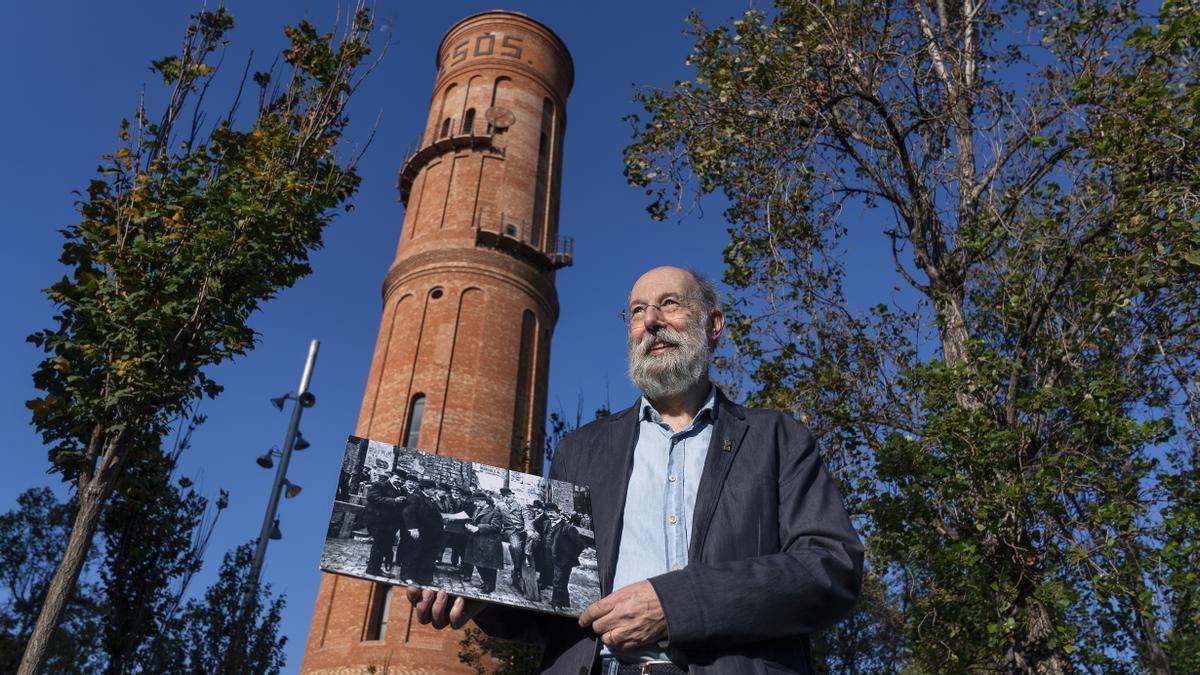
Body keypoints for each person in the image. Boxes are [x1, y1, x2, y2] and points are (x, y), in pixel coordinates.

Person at [408, 266, 863, 674]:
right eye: (637, 310)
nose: (651, 321)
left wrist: (676, 604)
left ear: (714, 324)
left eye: (669, 304)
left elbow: (830, 569)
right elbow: (551, 594)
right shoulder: (580, 450)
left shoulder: (776, 439)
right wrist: (481, 594)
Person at [543, 504, 592, 610]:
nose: (550, 514)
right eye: (548, 512)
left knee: (558, 580)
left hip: (563, 559)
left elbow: (580, 544)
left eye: (552, 512)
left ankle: (556, 604)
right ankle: (563, 602)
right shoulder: (546, 524)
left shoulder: (568, 528)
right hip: (550, 557)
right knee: (560, 581)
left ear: (558, 513)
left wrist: (570, 555)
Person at [400, 478, 446, 585]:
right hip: (417, 532)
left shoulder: (430, 498)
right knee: (412, 554)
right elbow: (408, 513)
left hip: (428, 534)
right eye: (433, 489)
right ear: (425, 488)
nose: (435, 491)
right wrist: (413, 529)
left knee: (424, 555)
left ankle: (423, 579)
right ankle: (406, 576)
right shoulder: (416, 497)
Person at [363, 470, 407, 577]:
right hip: (376, 520)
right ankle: (372, 570)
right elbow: (372, 497)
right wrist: (394, 500)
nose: (399, 482)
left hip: (390, 523)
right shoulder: (380, 485)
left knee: (384, 545)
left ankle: (377, 567)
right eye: (397, 479)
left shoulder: (402, 490)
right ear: (391, 477)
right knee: (378, 545)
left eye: (402, 481)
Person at [460, 490, 504, 593]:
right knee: (479, 564)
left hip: (490, 543)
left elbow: (496, 527)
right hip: (478, 541)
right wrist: (468, 524)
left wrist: (478, 528)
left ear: (484, 501)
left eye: (477, 501)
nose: (475, 503)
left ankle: (490, 586)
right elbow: (474, 520)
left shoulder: (495, 512)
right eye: (475, 501)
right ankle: (486, 582)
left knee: (489, 566)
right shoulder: (477, 510)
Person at [496, 487, 529, 589]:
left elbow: (527, 518)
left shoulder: (520, 505)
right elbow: (496, 518)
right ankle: (517, 569)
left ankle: (518, 570)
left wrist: (528, 529)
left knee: (526, 548)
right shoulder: (499, 505)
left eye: (508, 496)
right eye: (504, 497)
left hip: (521, 530)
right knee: (515, 546)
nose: (506, 498)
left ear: (512, 495)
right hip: (509, 530)